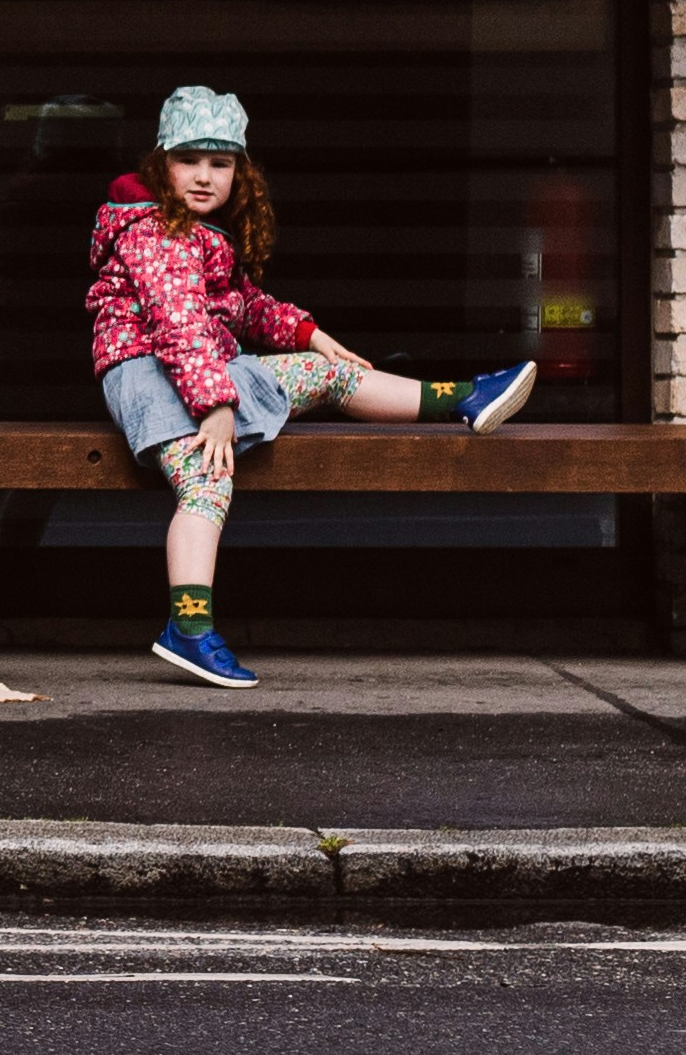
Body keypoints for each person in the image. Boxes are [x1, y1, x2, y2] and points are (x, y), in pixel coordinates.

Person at [85, 88, 534, 694]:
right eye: (189, 160)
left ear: (240, 173)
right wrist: (215, 407)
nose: (203, 176)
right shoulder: (157, 234)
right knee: (205, 479)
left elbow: (240, 307)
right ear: (161, 163)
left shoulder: (200, 232)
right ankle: (188, 625)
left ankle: (465, 397)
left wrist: (310, 333)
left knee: (329, 371)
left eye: (220, 163)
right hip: (150, 372)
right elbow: (178, 323)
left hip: (197, 370)